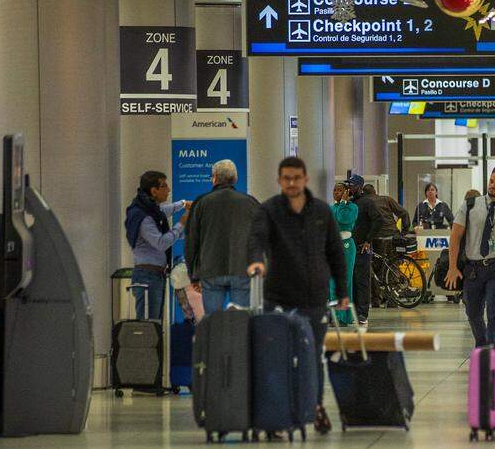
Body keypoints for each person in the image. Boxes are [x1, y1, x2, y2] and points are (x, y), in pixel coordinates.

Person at [246, 156, 348, 434]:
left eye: (296, 178)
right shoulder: (269, 211)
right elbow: (257, 238)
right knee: (276, 356)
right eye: (286, 178)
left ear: (305, 179)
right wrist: (256, 261)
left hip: (313, 298)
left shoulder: (322, 212)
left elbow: (336, 252)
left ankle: (314, 407)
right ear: (280, 181)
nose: (291, 183)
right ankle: (277, 415)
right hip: (277, 297)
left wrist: (342, 291)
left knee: (312, 356)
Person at [445, 167, 495, 347]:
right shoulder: (470, 205)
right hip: (473, 268)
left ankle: (493, 353)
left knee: (494, 312)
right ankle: (482, 345)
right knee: (472, 312)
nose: (493, 186)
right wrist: (452, 267)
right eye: (491, 181)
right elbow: (455, 237)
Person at [184, 159, 259, 313]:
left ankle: (216, 337)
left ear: (215, 178)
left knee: (213, 321)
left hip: (210, 270)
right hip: (242, 269)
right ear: (235, 179)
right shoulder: (250, 203)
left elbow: (191, 241)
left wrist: (194, 275)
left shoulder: (201, 203)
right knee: (241, 320)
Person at [124, 170, 189, 320]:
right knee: (149, 326)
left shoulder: (147, 209)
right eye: (164, 186)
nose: (169, 189)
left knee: (155, 325)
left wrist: (183, 204)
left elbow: (163, 211)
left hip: (155, 276)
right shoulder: (143, 217)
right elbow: (161, 243)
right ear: (154, 191)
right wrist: (182, 222)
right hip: (147, 277)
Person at [347, 175, 384, 327]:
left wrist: (369, 240)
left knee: (362, 280)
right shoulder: (349, 203)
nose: (350, 188)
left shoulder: (367, 202)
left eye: (353, 185)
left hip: (363, 247)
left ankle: (363, 313)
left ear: (360, 186)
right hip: (350, 248)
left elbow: (378, 220)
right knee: (352, 280)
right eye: (349, 185)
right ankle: (353, 311)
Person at [329, 180, 359, 326]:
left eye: (340, 191)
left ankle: (343, 316)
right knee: (331, 282)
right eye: (334, 190)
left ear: (347, 193)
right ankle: (335, 315)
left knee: (344, 281)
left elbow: (343, 219)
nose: (336, 193)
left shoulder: (352, 208)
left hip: (346, 245)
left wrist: (343, 204)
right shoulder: (331, 207)